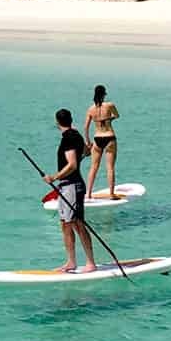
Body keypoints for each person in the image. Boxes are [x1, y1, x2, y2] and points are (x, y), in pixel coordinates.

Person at [44, 108, 97, 273]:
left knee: (77, 223)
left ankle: (90, 263)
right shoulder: (76, 135)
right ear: (71, 119)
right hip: (67, 186)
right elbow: (85, 153)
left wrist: (54, 177)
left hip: (72, 186)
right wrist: (85, 152)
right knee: (65, 224)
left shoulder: (68, 138)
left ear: (57, 122)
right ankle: (71, 262)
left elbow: (72, 164)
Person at [85, 84, 120, 199]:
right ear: (104, 94)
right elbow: (117, 115)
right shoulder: (109, 105)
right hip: (109, 136)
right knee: (110, 167)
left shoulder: (91, 109)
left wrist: (88, 142)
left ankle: (89, 193)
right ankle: (111, 193)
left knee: (93, 167)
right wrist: (108, 119)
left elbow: (86, 128)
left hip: (97, 137)